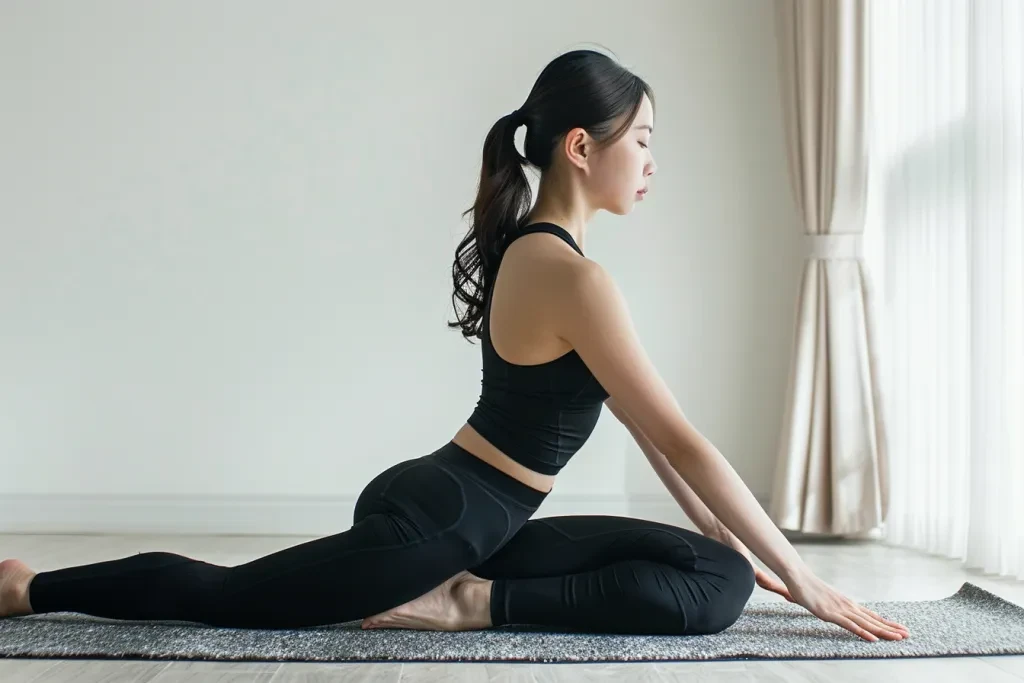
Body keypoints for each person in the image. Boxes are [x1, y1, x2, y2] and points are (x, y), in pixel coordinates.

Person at [0, 49, 909, 642]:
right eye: (644, 140)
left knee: (716, 574)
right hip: (437, 522)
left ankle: (471, 592)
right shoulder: (572, 275)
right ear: (583, 147)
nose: (653, 161)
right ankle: (27, 587)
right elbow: (681, 440)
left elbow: (654, 439)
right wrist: (809, 578)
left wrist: (750, 551)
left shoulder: (552, 257)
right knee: (231, 597)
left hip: (471, 509)